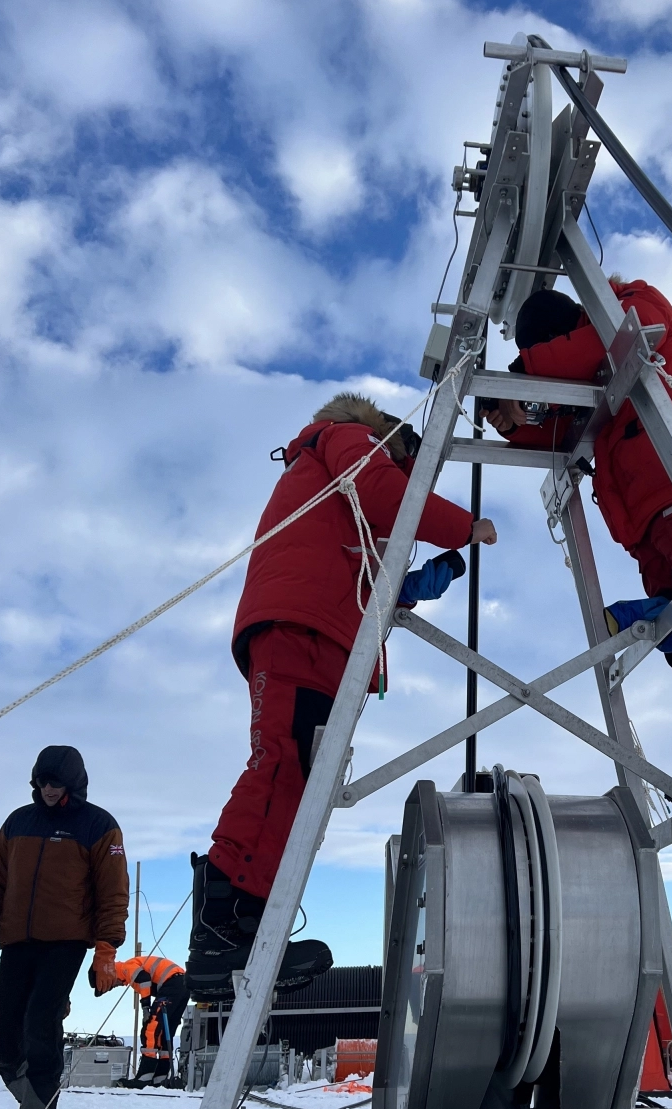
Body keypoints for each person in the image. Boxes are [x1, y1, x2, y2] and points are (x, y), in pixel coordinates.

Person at [193, 392, 496, 997]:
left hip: (319, 630)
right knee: (283, 764)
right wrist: (465, 526)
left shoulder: (331, 482)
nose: (404, 475)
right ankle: (220, 931)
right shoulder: (348, 439)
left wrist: (423, 579)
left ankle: (248, 923)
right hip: (300, 629)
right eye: (407, 464)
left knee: (300, 774)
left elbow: (365, 576)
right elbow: (388, 499)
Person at [486, 284, 672, 795]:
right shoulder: (596, 375)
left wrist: (521, 378)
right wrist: (511, 418)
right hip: (648, 519)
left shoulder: (630, 305)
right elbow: (559, 427)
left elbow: (611, 338)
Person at [0, 746, 128, 1109]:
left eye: (56, 783)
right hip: (16, 942)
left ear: (72, 783)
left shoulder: (98, 826)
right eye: (42, 783)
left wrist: (106, 949)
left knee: (39, 1025)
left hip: (65, 944)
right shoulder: (18, 822)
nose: (49, 791)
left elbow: (113, 893)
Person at [103, 953, 189, 1086]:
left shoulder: (127, 967)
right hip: (183, 985)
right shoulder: (131, 972)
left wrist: (145, 1007)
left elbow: (144, 979)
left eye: (112, 984)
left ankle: (144, 1077)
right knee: (166, 1031)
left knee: (152, 1028)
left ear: (112, 975)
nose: (115, 986)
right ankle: (160, 1077)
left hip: (171, 983)